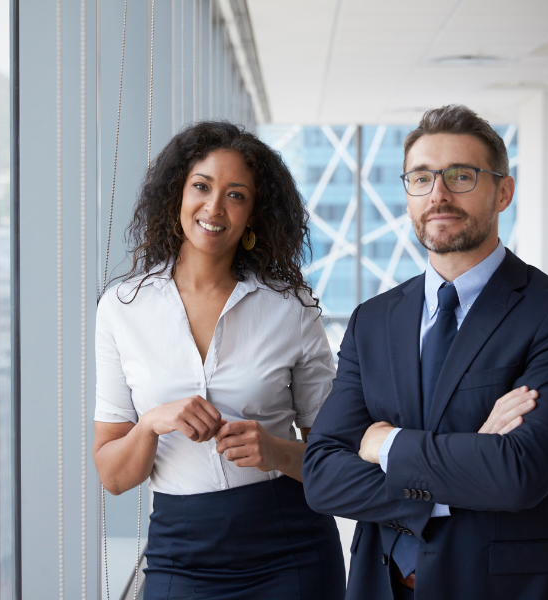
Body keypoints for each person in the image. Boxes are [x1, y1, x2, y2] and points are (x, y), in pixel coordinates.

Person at [302, 105, 548, 600]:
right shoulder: (373, 321)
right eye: (422, 178)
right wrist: (469, 458)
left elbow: (517, 474)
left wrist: (387, 446)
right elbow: (321, 477)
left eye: (461, 176)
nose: (438, 194)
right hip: (383, 585)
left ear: (503, 192)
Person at [92, 121, 346, 600]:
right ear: (176, 196)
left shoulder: (291, 308)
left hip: (289, 547)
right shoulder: (122, 309)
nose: (214, 208)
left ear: (253, 214)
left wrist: (274, 450)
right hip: (180, 552)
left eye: (236, 195)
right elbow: (114, 476)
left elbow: (334, 457)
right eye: (201, 187)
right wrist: (149, 424)